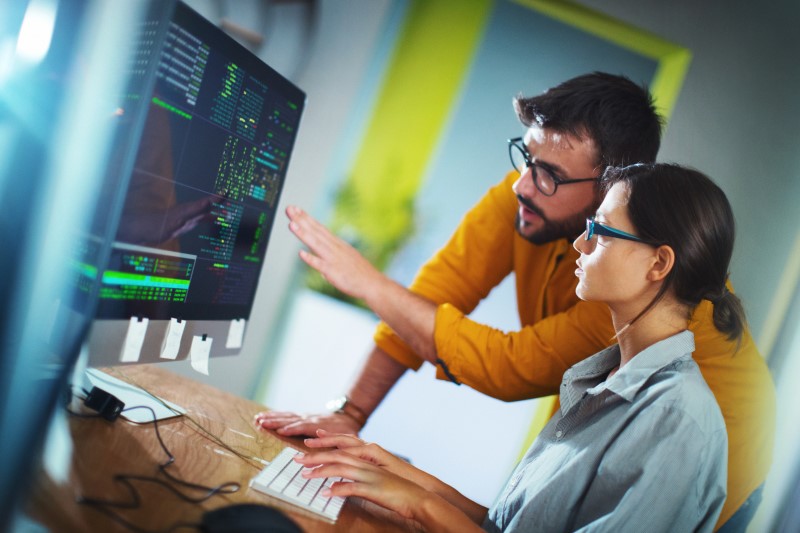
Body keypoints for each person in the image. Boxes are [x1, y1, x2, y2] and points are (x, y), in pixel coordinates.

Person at [254, 73, 775, 529]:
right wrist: (353, 417)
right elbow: (428, 300)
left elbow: (508, 368)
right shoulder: (537, 204)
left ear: (610, 191)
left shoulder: (638, 296)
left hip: (712, 461)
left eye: (551, 175)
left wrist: (369, 283)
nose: (523, 185)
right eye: (528, 158)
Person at [284, 163, 734, 531]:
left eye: (601, 230)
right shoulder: (604, 377)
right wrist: (398, 474)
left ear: (658, 263)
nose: (581, 243)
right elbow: (511, 525)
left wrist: (420, 504)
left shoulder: (678, 422)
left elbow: (503, 364)